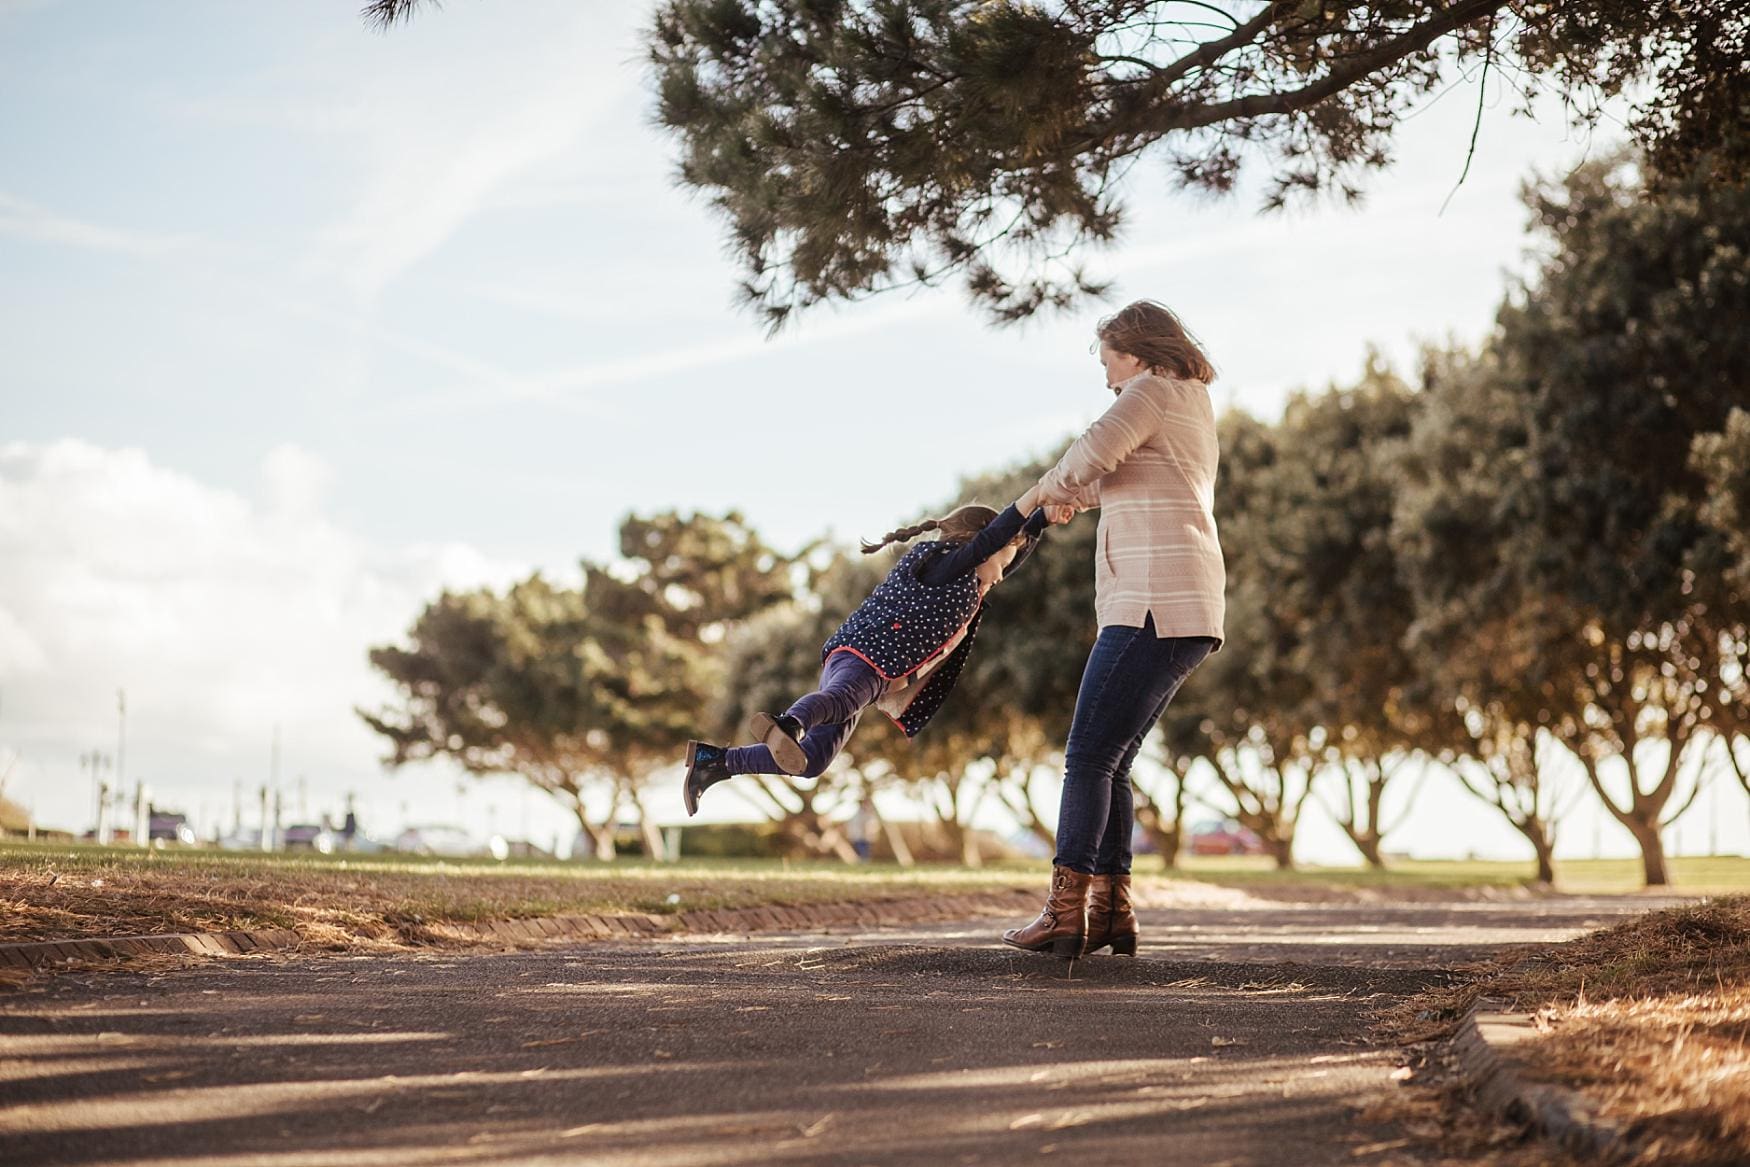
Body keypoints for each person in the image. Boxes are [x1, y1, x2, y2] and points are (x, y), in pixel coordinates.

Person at [1000, 300, 1226, 960]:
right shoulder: (1189, 399)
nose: (1106, 380)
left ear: (1134, 349)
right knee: (1115, 761)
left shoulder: (1151, 389)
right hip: (1189, 608)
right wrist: (1072, 495)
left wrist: (1036, 498)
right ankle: (1111, 912)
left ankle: (1064, 912)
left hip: (1150, 603)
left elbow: (1094, 451)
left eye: (1107, 362)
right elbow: (1131, 473)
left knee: (1086, 757)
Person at [682, 501, 1065, 815]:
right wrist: (1033, 499)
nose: (1002, 574)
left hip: (872, 666)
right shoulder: (946, 565)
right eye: (1002, 561)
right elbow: (995, 540)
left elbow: (1009, 546)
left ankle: (714, 762)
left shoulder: (970, 580)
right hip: (866, 656)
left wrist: (1043, 519)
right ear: (981, 545)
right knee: (841, 702)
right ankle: (790, 722)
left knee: (812, 761)